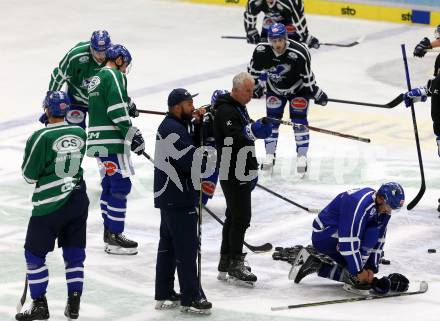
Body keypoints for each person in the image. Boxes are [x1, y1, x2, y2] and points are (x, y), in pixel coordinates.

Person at [16, 91, 89, 321]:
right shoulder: (79, 132)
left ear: (47, 109)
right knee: (74, 253)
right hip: (77, 200)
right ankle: (74, 303)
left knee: (34, 253)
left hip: (49, 205)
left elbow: (29, 176)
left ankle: (39, 305)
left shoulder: (40, 136)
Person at [289, 183, 410, 295]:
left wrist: (371, 268)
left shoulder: (380, 207)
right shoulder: (359, 204)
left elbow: (380, 238)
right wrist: (358, 271)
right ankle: (350, 274)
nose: (388, 211)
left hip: (339, 233)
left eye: (392, 209)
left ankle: (314, 264)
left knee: (372, 234)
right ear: (381, 198)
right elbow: (348, 242)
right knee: (356, 274)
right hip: (325, 235)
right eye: (388, 207)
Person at [153, 88, 212, 314]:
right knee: (187, 249)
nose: (192, 108)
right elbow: (192, 163)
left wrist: (197, 127)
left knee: (168, 248)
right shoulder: (173, 131)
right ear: (177, 107)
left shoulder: (173, 127)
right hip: (179, 198)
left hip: (169, 197)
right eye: (188, 104)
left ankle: (165, 292)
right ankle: (191, 297)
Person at [213, 72, 273, 285]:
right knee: (241, 218)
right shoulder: (226, 110)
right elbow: (234, 137)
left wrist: (258, 126)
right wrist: (253, 132)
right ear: (236, 90)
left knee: (232, 216)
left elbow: (243, 130)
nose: (251, 94)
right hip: (233, 169)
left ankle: (226, 261)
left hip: (240, 167)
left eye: (252, 89)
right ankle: (235, 263)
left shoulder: (237, 107)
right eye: (248, 90)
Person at [87, 44, 145, 255]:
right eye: (125, 64)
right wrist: (132, 134)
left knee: (109, 184)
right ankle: (115, 235)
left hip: (97, 141)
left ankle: (109, 231)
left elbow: (108, 102)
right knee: (120, 185)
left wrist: (127, 103)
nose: (125, 69)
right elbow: (115, 109)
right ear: (119, 59)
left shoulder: (97, 77)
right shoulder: (114, 75)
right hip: (112, 140)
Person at [248, 22, 327, 174]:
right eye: (274, 40)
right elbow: (252, 73)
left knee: (299, 122)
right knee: (272, 121)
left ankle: (302, 156)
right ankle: (270, 154)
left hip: (298, 90)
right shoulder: (261, 50)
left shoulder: (299, 52)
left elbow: (308, 78)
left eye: (280, 40)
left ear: (285, 38)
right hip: (275, 89)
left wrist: (316, 93)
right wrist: (255, 86)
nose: (277, 44)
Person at [47, 30, 140, 129]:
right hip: (76, 100)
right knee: (76, 132)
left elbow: (115, 87)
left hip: (98, 101)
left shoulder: (114, 58)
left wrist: (128, 103)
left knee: (99, 132)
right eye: (97, 52)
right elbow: (58, 75)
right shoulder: (76, 55)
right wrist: (51, 101)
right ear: (91, 47)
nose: (101, 56)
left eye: (104, 52)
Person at [244, 0, 319, 48]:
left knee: (291, 48)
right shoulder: (254, 1)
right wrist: (251, 31)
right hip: (271, 19)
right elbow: (250, 14)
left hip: (289, 21)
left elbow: (298, 19)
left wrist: (305, 36)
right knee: (265, 47)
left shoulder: (289, 2)